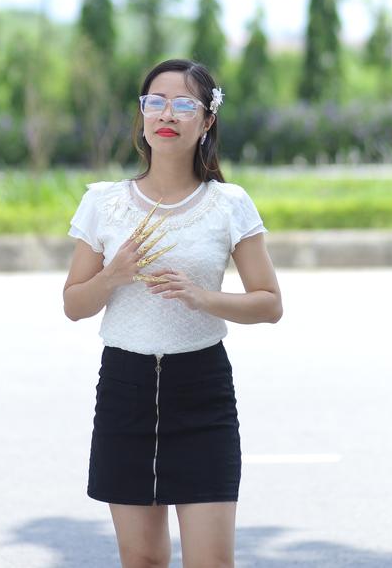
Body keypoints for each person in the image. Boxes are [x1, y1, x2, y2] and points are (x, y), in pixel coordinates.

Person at [63, 58, 283, 568]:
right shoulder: (104, 202)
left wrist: (203, 298)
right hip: (125, 390)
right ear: (142, 114)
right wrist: (113, 275)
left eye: (184, 104)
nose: (167, 114)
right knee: (143, 560)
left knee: (211, 562)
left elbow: (270, 303)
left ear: (207, 120)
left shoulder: (229, 203)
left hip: (202, 389)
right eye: (155, 102)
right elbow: (74, 304)